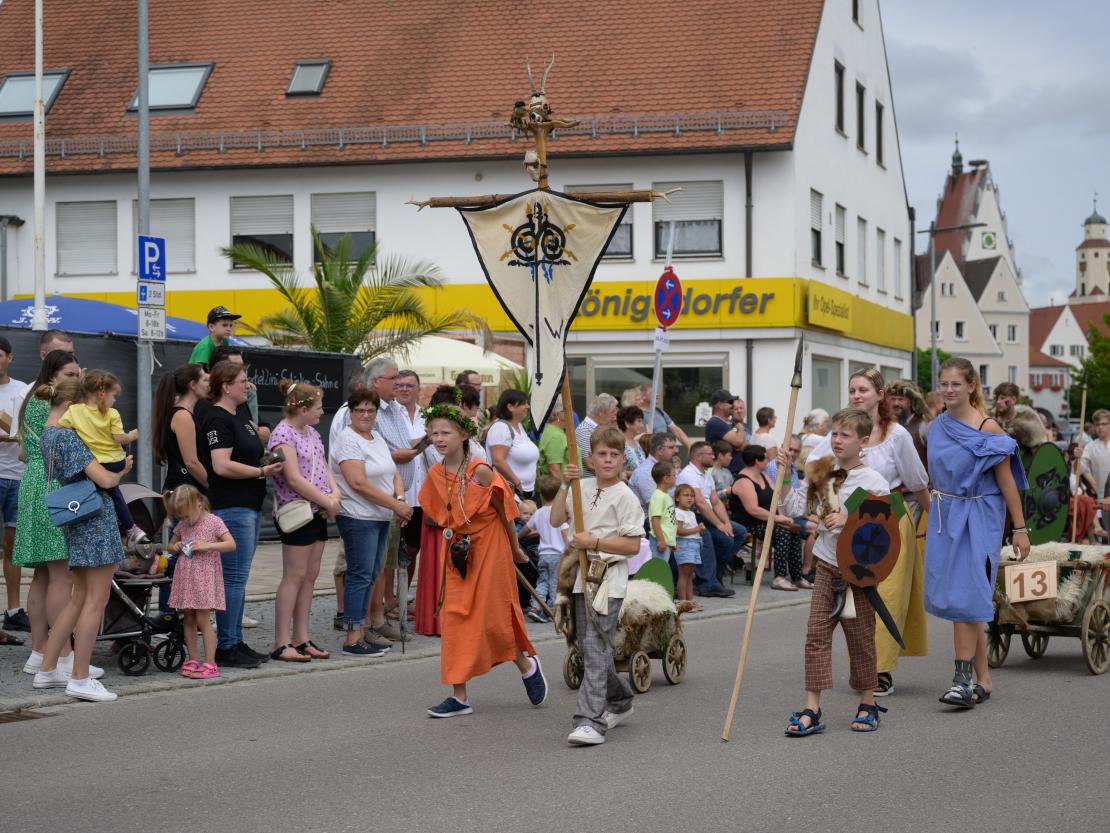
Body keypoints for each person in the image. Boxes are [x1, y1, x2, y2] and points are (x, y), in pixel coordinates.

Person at [808, 368, 931, 697]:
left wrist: (935, 521)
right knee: (850, 604)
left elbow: (917, 482)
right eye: (852, 389)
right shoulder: (839, 432)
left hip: (885, 521)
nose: (856, 395)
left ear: (880, 395)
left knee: (885, 597)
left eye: (863, 389)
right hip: (841, 529)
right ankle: (863, 670)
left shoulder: (896, 435)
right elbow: (814, 466)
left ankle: (881, 671)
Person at [419, 400, 546, 718]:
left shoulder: (482, 470)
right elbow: (437, 514)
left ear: (463, 435)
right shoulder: (435, 473)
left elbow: (505, 512)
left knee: (492, 617)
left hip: (491, 546)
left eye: (445, 432)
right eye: (434, 433)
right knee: (455, 616)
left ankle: (526, 665)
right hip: (457, 552)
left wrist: (516, 547)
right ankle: (459, 696)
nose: (439, 438)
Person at [780, 408, 891, 735]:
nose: (838, 440)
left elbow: (884, 534)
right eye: (835, 434)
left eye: (846, 435)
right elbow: (794, 510)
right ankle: (811, 708)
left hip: (857, 573)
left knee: (860, 640)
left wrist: (850, 520)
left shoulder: (875, 483)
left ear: (863, 441)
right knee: (816, 635)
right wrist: (786, 474)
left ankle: (868, 703)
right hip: (827, 565)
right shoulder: (821, 472)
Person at [926, 358, 1029, 708]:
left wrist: (1020, 529)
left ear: (971, 386)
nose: (949, 390)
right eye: (944, 384)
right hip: (945, 514)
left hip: (978, 516)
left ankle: (961, 679)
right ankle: (982, 679)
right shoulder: (937, 426)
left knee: (964, 594)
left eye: (956, 384)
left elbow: (1007, 483)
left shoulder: (989, 429)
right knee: (965, 599)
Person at [31, 379, 132, 702]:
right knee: (95, 600)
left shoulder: (47, 435)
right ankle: (80, 677)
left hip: (76, 518)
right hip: (95, 517)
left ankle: (48, 668)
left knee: (79, 597)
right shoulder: (68, 437)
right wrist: (123, 469)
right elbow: (104, 478)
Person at [550, 426, 644, 745]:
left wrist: (596, 540)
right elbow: (554, 520)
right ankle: (620, 699)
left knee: (595, 646)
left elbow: (632, 545)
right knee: (587, 647)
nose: (607, 460)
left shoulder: (627, 497)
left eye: (614, 455)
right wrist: (566, 482)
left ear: (622, 459)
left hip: (608, 578)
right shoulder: (581, 486)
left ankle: (590, 720)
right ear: (591, 458)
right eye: (602, 454)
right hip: (579, 577)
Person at [202, 360, 283, 669]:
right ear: (225, 386)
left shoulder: (243, 415)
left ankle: (234, 639)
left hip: (247, 503)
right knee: (232, 579)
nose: (248, 385)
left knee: (239, 578)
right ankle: (226, 645)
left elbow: (249, 452)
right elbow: (221, 465)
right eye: (242, 381)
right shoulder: (217, 418)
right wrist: (260, 470)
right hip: (231, 504)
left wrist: (267, 461)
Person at [331, 388, 412, 657]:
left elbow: (392, 473)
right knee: (359, 575)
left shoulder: (376, 437)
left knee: (372, 575)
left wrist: (399, 498)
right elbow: (357, 483)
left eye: (370, 410)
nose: (365, 415)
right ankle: (352, 638)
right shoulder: (347, 439)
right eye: (360, 410)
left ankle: (364, 631)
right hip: (357, 516)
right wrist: (395, 505)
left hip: (380, 516)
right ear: (350, 413)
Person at [14, 351, 82, 669]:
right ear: (53, 375)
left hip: (32, 485)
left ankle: (39, 649)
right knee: (60, 576)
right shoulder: (53, 404)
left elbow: (23, 453)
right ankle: (64, 655)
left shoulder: (32, 399)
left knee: (42, 575)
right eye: (70, 374)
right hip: (53, 484)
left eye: (78, 373)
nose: (77, 379)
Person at [267, 380, 340, 662]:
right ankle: (281, 640)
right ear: (303, 408)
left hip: (318, 510)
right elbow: (294, 478)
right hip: (298, 512)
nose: (322, 413)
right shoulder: (283, 435)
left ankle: (301, 637)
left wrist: (333, 494)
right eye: (318, 408)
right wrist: (327, 501)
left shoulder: (311, 432)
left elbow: (323, 466)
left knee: (310, 575)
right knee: (294, 575)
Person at [364, 357, 424, 644]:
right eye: (393, 380)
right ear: (376, 382)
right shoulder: (364, 413)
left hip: (397, 496)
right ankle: (367, 621)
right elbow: (367, 457)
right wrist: (397, 456)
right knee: (374, 564)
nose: (399, 385)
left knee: (390, 559)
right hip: (374, 499)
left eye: (407, 383)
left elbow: (400, 452)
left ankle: (382, 614)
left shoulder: (395, 411)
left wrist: (401, 497)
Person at [58, 370, 148, 547]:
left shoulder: (74, 410)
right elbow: (118, 438)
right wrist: (132, 435)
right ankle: (130, 529)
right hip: (114, 462)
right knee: (115, 494)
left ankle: (127, 529)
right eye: (114, 396)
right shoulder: (112, 413)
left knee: (109, 493)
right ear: (102, 394)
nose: (114, 401)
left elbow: (59, 427)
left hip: (93, 464)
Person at [164, 485, 233, 680]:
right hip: (186, 576)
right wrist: (174, 546)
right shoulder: (183, 525)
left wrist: (207, 545)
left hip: (204, 576)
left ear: (199, 504)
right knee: (189, 618)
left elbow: (231, 544)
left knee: (203, 618)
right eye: (181, 517)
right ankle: (193, 659)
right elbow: (169, 547)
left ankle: (210, 663)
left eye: (187, 516)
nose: (185, 520)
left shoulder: (214, 521)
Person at [730, 445, 804, 590]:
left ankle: (797, 577)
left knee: (793, 530)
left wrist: (782, 516)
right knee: (782, 531)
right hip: (749, 523)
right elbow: (753, 509)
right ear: (757, 461)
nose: (768, 460)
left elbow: (775, 499)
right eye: (766, 458)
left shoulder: (763, 476)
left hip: (766, 520)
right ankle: (779, 577)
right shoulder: (744, 481)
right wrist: (777, 519)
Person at [677, 441, 743, 598]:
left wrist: (726, 523)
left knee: (738, 532)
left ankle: (715, 575)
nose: (714, 456)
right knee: (709, 537)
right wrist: (719, 525)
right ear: (699, 457)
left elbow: (715, 501)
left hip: (705, 515)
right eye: (710, 454)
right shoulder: (688, 474)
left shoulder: (706, 475)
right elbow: (699, 503)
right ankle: (707, 584)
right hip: (691, 516)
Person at [0, 335, 29, 635]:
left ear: (9, 358)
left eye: (0, 355)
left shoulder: (22, 391)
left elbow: (25, 430)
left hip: (18, 475)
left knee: (13, 546)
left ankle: (13, 609)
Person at [152, 364, 210, 494]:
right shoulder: (183, 416)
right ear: (193, 385)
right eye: (205, 380)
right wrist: (213, 487)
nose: (208, 384)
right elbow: (191, 462)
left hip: (184, 490)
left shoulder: (183, 413)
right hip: (183, 493)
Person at [396, 369, 426, 598]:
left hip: (422, 493)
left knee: (413, 548)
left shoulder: (427, 416)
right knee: (392, 550)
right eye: (401, 385)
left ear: (418, 389)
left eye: (410, 385)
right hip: (397, 493)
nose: (405, 389)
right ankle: (389, 598)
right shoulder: (390, 414)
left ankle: (403, 595)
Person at [527, 476, 569, 621]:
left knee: (542, 582)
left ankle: (536, 607)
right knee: (555, 583)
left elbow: (527, 528)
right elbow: (564, 532)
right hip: (558, 555)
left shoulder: (539, 512)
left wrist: (517, 537)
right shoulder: (560, 512)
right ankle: (553, 609)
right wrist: (571, 547)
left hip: (543, 555)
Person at [487, 389, 541, 501]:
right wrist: (517, 484)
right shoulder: (501, 428)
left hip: (524, 493)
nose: (528, 406)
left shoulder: (519, 426)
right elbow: (498, 461)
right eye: (523, 403)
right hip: (511, 493)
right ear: (510, 407)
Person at [673, 484, 705, 609]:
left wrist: (699, 531)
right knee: (684, 574)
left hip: (694, 544)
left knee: (690, 574)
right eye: (686, 495)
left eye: (692, 495)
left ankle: (690, 600)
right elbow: (679, 531)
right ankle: (682, 602)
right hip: (684, 545)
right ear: (677, 498)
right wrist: (697, 528)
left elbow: (690, 530)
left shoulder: (690, 513)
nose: (690, 498)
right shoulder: (677, 512)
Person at [629, 432, 679, 510]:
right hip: (651, 520)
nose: (676, 451)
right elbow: (656, 508)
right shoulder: (645, 472)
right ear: (659, 450)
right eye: (671, 447)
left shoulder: (667, 467)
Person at [1079, 410, 1110, 536]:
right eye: (1098, 424)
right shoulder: (1090, 447)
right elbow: (1080, 468)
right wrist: (1077, 457)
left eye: (1104, 423)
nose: (1101, 427)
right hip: (1102, 498)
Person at [887, 379, 930, 469]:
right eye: (893, 399)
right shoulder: (884, 426)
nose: (896, 403)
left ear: (911, 402)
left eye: (900, 399)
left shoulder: (923, 427)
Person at [635, 383, 692, 449]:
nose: (657, 394)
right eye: (653, 392)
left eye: (657, 392)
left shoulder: (660, 412)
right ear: (643, 395)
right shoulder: (636, 414)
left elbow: (676, 430)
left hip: (664, 453)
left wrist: (690, 447)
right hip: (647, 453)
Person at [703, 389, 746, 475]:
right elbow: (738, 442)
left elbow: (744, 445)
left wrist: (739, 443)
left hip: (733, 472)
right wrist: (741, 429)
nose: (733, 405)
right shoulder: (715, 422)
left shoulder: (729, 422)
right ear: (720, 405)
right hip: (722, 474)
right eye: (730, 402)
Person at [575, 392, 618, 474]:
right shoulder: (584, 430)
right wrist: (616, 474)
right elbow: (590, 463)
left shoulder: (598, 429)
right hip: (590, 482)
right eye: (612, 412)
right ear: (601, 412)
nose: (614, 417)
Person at [536, 398, 572, 480]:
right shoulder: (555, 435)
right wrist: (562, 490)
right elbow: (554, 470)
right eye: (566, 410)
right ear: (556, 414)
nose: (570, 413)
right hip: (558, 489)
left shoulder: (553, 430)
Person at [648, 460, 677, 559]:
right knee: (658, 571)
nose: (676, 478)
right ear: (666, 478)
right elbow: (655, 520)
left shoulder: (665, 495)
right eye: (674, 475)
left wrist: (671, 541)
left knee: (662, 569)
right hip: (659, 541)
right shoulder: (658, 497)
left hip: (665, 541)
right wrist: (661, 540)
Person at [617, 405, 646, 475]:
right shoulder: (619, 444)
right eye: (639, 421)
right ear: (627, 423)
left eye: (642, 422)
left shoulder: (637, 444)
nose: (642, 425)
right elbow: (617, 472)